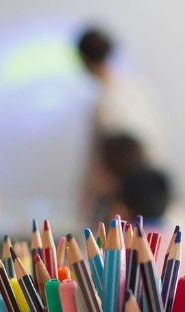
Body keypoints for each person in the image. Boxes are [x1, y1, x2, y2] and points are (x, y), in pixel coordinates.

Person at [76, 26, 167, 215]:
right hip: (144, 190)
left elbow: (107, 159)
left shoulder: (107, 102)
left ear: (84, 60)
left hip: (124, 194)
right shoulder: (138, 89)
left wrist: (92, 192)